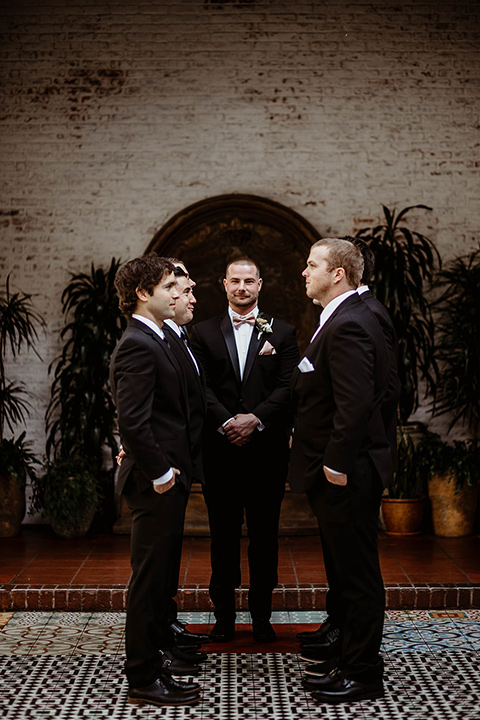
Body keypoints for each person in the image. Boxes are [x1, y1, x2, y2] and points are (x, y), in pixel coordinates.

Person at [288, 238, 395, 704]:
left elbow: (355, 406)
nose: (304, 272)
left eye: (312, 265)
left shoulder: (350, 323)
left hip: (345, 471)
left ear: (338, 274)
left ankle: (363, 674)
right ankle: (348, 658)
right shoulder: (354, 314)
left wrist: (333, 464)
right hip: (348, 467)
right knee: (347, 573)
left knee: (357, 578)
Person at [190, 256, 299, 643]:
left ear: (260, 284)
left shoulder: (282, 333)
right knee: (222, 539)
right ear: (223, 284)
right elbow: (199, 388)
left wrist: (254, 419)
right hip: (220, 452)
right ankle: (223, 619)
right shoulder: (200, 333)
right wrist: (228, 422)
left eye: (248, 281)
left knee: (265, 539)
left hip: (266, 454)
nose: (241, 287)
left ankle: (261, 618)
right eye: (234, 281)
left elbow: (288, 388)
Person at [110, 254, 202, 707]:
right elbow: (133, 422)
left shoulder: (159, 338)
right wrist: (163, 474)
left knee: (159, 575)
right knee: (147, 583)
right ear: (144, 294)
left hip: (168, 475)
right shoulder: (137, 344)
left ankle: (155, 659)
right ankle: (143, 676)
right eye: (169, 285)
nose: (178, 292)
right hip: (154, 482)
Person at [162, 261, 210, 655]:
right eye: (185, 289)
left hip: (183, 463)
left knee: (169, 556)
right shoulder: (156, 340)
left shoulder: (182, 337)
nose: (191, 296)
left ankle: (166, 623)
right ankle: (156, 642)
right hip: (167, 467)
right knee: (157, 564)